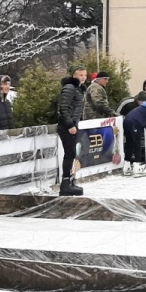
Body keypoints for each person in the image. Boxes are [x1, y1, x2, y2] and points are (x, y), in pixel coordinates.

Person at [57, 67, 87, 196]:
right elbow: (63, 107)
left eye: (85, 75)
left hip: (73, 123)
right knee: (69, 154)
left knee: (72, 154)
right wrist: (69, 124)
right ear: (74, 76)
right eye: (80, 75)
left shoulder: (79, 89)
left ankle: (70, 180)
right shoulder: (70, 88)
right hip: (67, 125)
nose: (83, 77)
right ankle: (65, 183)